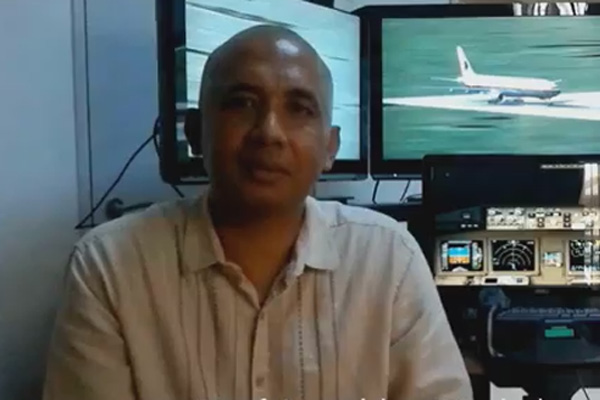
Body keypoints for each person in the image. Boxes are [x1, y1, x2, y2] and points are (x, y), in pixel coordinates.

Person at [43, 25, 472, 400]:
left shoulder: (389, 259)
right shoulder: (109, 267)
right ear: (194, 133)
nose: (269, 132)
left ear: (330, 147)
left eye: (300, 109)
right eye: (242, 102)